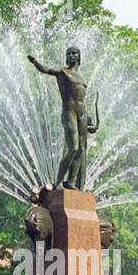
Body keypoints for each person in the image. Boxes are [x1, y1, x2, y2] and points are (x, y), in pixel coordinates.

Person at [28, 47, 96, 190]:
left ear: (79, 57)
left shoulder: (82, 78)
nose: (71, 56)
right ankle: (58, 182)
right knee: (73, 148)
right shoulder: (62, 71)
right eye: (69, 54)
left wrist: (89, 121)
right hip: (69, 111)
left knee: (81, 150)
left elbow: (81, 99)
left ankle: (71, 181)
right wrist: (35, 62)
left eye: (74, 53)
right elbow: (46, 69)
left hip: (82, 114)